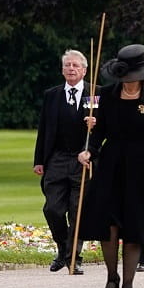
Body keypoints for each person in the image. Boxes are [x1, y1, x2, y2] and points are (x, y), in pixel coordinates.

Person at [76, 45, 144, 288]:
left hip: (141, 168)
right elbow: (100, 132)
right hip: (111, 165)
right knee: (108, 225)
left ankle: (128, 287)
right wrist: (89, 150)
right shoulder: (107, 94)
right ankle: (111, 277)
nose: (128, 83)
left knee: (134, 228)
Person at [33, 48, 91, 273]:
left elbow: (109, 126)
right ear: (62, 69)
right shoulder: (52, 95)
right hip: (56, 159)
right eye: (67, 65)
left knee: (78, 211)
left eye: (75, 65)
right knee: (53, 209)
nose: (71, 69)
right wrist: (39, 160)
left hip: (83, 159)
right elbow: (43, 129)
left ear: (84, 70)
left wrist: (96, 124)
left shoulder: (96, 93)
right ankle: (63, 249)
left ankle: (73, 258)